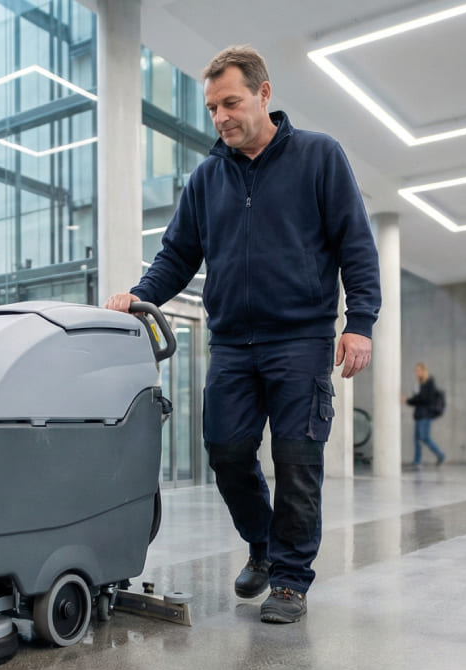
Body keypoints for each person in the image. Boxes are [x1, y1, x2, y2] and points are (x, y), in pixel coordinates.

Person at [105, 45, 380, 625]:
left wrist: (360, 323)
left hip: (301, 339)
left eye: (230, 103)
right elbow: (177, 254)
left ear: (264, 94)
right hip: (232, 343)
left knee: (297, 461)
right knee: (227, 452)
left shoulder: (319, 156)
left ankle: (290, 581)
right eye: (212, 108)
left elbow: (355, 242)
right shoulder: (208, 178)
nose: (221, 117)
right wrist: (139, 296)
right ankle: (263, 544)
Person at [403, 363, 445, 468]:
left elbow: (425, 399)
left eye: (418, 370)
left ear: (424, 371)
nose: (416, 373)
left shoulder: (429, 382)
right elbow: (417, 399)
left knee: (424, 437)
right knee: (417, 439)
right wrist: (408, 401)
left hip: (425, 415)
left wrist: (409, 400)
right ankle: (417, 461)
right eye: (416, 370)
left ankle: (440, 455)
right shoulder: (419, 383)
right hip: (419, 414)